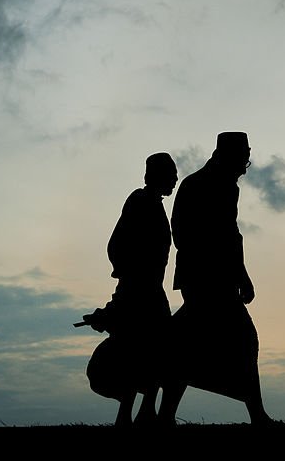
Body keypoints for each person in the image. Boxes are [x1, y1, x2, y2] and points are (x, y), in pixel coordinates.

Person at [158, 132, 272, 425]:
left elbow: (231, 235)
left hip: (212, 276)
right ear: (228, 156)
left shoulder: (221, 185)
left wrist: (240, 274)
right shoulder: (202, 184)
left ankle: (165, 414)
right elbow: (196, 234)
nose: (244, 166)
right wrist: (235, 273)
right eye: (242, 159)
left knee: (187, 345)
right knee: (242, 340)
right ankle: (257, 415)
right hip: (206, 278)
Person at [79, 152, 177, 427]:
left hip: (148, 289)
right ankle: (133, 413)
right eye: (171, 174)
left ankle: (144, 411)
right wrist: (127, 281)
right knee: (141, 351)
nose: (175, 179)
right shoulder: (141, 202)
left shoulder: (151, 204)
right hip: (140, 289)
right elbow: (119, 244)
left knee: (152, 352)